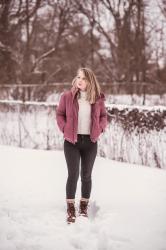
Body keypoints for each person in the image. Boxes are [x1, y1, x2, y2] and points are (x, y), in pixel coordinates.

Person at [56, 67, 107, 223]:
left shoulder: (97, 98)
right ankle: (70, 208)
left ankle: (83, 206)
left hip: (90, 142)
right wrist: (64, 128)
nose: (80, 80)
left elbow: (104, 116)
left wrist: (101, 128)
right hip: (72, 142)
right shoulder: (67, 97)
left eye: (84, 78)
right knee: (73, 175)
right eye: (78, 77)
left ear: (90, 81)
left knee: (86, 175)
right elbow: (60, 114)